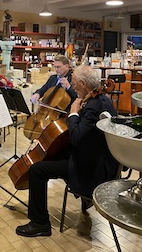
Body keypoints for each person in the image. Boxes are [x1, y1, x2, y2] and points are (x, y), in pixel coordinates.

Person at [16, 65, 119, 237]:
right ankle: (80, 204)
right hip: (96, 157)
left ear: (83, 83)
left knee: (37, 170)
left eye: (74, 83)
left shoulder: (93, 106)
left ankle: (40, 223)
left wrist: (73, 114)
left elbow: (77, 137)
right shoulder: (102, 100)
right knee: (52, 156)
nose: (72, 86)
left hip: (90, 168)